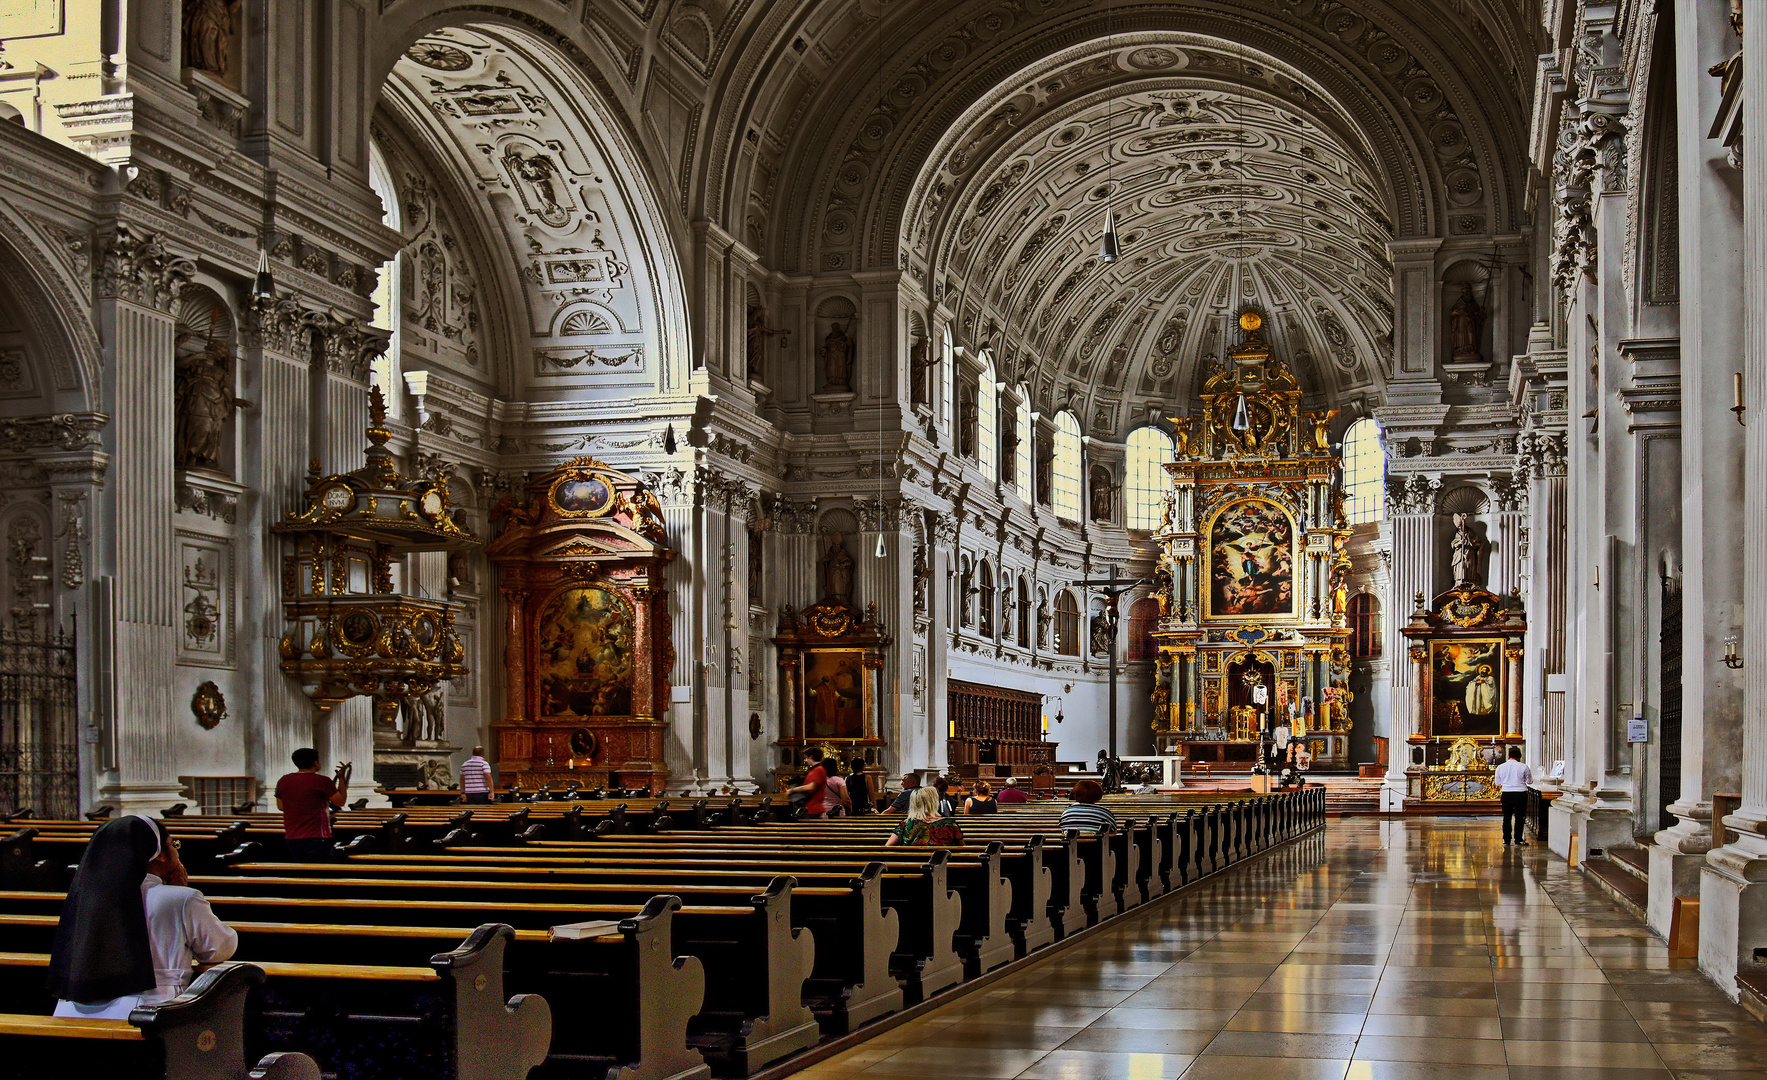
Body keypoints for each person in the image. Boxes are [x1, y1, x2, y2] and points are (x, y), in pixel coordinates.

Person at [48, 816, 238, 1018]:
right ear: (160, 855)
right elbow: (219, 948)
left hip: (71, 1012)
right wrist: (180, 894)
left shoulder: (84, 898)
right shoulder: (183, 899)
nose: (176, 849)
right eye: (173, 844)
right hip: (147, 1013)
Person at [275, 748, 349, 861]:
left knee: (299, 871)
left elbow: (281, 806)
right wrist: (341, 779)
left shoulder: (284, 780)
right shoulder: (322, 781)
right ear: (315, 762)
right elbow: (340, 802)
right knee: (317, 872)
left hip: (292, 835)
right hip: (317, 835)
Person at [884, 786, 964, 847]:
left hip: (910, 867)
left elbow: (887, 847)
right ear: (934, 803)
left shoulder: (906, 824)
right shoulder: (949, 824)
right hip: (942, 867)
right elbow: (962, 848)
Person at [1496, 746, 1532, 846]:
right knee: (1519, 818)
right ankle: (1518, 840)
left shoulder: (1500, 767)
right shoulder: (1524, 766)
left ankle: (1506, 840)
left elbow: (1498, 783)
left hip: (1507, 793)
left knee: (1506, 818)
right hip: (1520, 794)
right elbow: (1530, 781)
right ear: (1519, 757)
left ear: (1508, 756)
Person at [787, 749, 831, 818]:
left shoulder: (818, 769)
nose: (805, 761)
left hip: (813, 807)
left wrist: (792, 790)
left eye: (806, 758)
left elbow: (811, 787)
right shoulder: (816, 769)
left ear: (811, 757)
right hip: (810, 806)